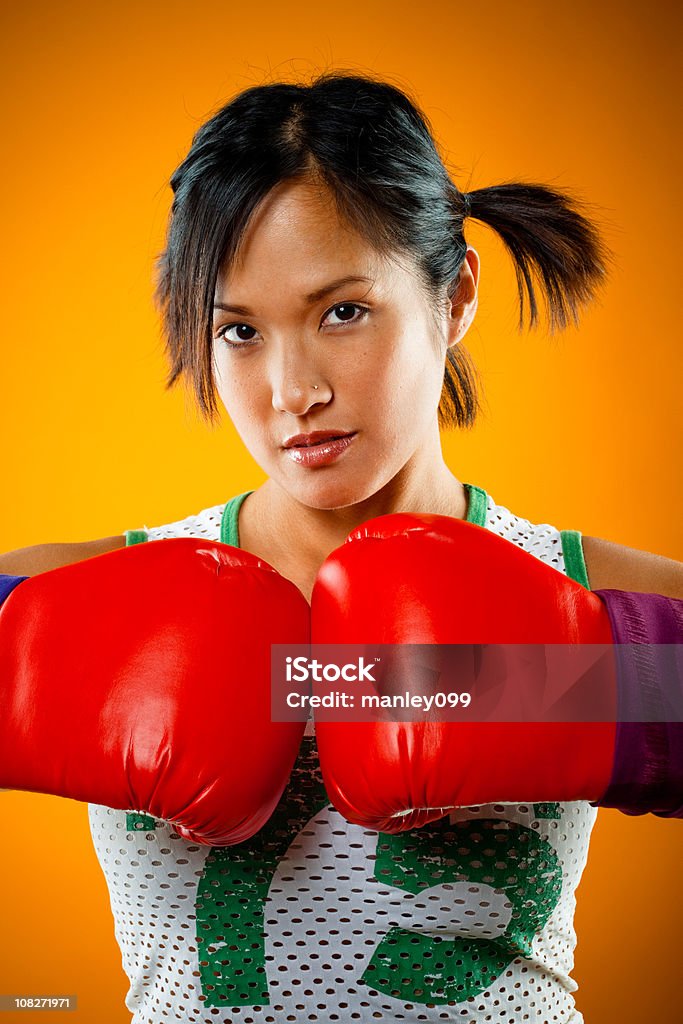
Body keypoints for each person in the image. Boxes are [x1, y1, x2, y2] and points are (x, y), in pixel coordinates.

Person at [1, 71, 681, 1023]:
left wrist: (550, 686)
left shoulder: (591, 591)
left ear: (453, 299)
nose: (291, 391)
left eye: (342, 312)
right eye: (238, 330)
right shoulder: (82, 593)